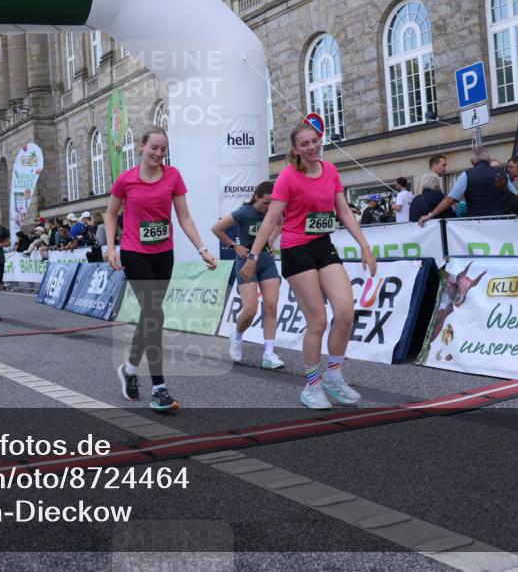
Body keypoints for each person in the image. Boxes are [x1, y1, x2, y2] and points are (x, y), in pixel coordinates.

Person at [241, 122, 376, 410]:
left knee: (345, 312)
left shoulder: (330, 171)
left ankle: (333, 377)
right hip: (296, 250)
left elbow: (342, 211)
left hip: (323, 245)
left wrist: (365, 246)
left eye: (314, 141)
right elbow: (270, 220)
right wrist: (253, 258)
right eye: (305, 144)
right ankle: (312, 387)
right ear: (295, 150)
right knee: (318, 321)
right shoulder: (288, 178)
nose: (312, 147)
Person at [105, 127, 218, 412]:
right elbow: (110, 213)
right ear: (142, 146)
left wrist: (202, 248)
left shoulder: (173, 176)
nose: (158, 153)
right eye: (154, 147)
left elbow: (184, 217)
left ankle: (129, 369)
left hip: (163, 254)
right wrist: (111, 247)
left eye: (163, 149)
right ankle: (159, 388)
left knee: (150, 315)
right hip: (134, 252)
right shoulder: (126, 180)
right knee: (155, 313)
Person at [211, 181, 284, 370]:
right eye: (266, 203)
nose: (269, 207)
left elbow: (279, 223)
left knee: (271, 307)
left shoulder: (273, 211)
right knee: (250, 309)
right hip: (246, 262)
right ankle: (236, 336)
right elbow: (217, 228)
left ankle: (269, 353)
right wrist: (234, 246)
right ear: (257, 197)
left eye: (272, 203)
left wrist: (270, 241)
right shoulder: (244, 212)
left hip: (266, 261)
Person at [418, 148, 513, 226]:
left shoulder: (467, 175)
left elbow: (450, 199)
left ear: (472, 162)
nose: (446, 169)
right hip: (503, 223)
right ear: (488, 160)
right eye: (444, 165)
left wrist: (430, 215)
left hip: (478, 225)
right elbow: (516, 197)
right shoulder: (502, 174)